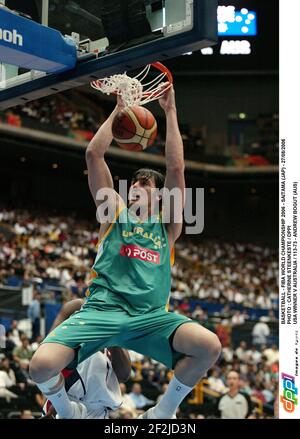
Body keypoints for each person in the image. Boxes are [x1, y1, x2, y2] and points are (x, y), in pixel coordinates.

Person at [29, 84, 221, 419]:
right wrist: (118, 111)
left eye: (147, 184)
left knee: (209, 346)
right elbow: (94, 155)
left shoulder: (168, 227)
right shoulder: (113, 213)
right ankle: (67, 412)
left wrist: (171, 111)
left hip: (150, 318)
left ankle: (162, 412)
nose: (137, 185)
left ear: (161, 197)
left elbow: (176, 169)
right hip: (102, 311)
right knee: (40, 367)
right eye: (135, 182)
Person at [41, 299, 131, 419]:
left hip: (98, 411)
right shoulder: (75, 307)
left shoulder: (115, 321)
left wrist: (111, 332)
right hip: (66, 401)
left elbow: (124, 375)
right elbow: (47, 353)